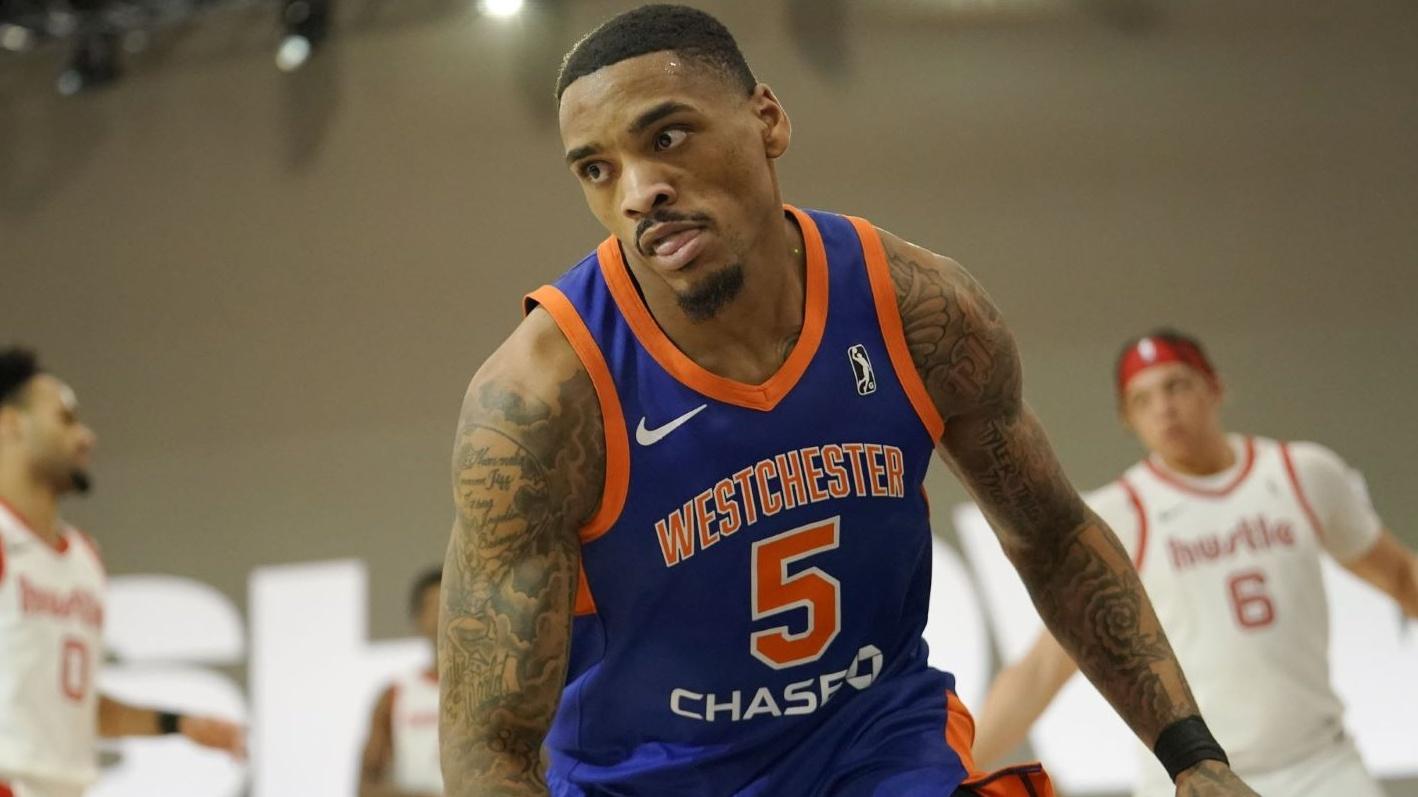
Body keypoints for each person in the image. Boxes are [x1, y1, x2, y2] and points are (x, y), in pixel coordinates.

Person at [437, 6, 1257, 795]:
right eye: (597, 168)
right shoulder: (540, 400)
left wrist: (1192, 756)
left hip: (872, 745)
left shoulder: (918, 309)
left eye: (668, 136)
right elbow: (491, 747)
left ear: (768, 121)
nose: (639, 190)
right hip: (646, 779)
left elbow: (1053, 536)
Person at [971, 329, 1418, 796]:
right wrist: (958, 762)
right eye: (1142, 399)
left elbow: (1402, 575)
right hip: (1193, 776)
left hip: (1319, 764)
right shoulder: (1122, 514)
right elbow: (1044, 666)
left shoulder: (1300, 474)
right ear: (1128, 420)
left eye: (1176, 385)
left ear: (1216, 388)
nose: (1163, 407)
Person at [0, 347, 244, 797]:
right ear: (10, 423)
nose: (87, 436)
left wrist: (177, 723)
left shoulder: (84, 558)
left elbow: (75, 709)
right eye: (66, 419)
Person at [360, 567, 445, 797]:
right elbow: (367, 785)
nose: (442, 615)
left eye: (450, 603)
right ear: (417, 618)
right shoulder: (396, 695)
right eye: (433, 606)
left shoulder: (497, 693)